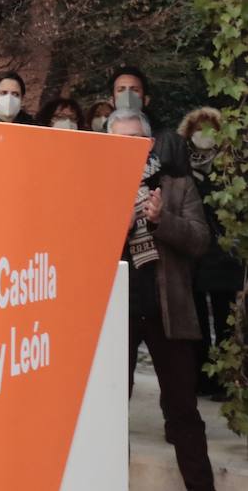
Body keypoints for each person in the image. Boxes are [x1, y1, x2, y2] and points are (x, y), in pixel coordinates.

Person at [109, 108, 215, 491]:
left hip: (167, 312)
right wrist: (111, 232)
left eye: (136, 141)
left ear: (150, 143)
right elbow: (74, 250)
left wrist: (161, 220)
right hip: (115, 317)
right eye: (118, 142)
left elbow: (201, 240)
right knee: (111, 414)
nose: (128, 150)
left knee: (183, 412)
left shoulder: (177, 186)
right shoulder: (94, 186)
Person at [179, 106, 238, 399]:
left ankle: (226, 378)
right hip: (192, 251)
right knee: (198, 318)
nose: (204, 135)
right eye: (199, 128)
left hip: (224, 254)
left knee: (225, 315)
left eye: (211, 128)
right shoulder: (181, 163)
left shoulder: (230, 165)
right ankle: (202, 375)